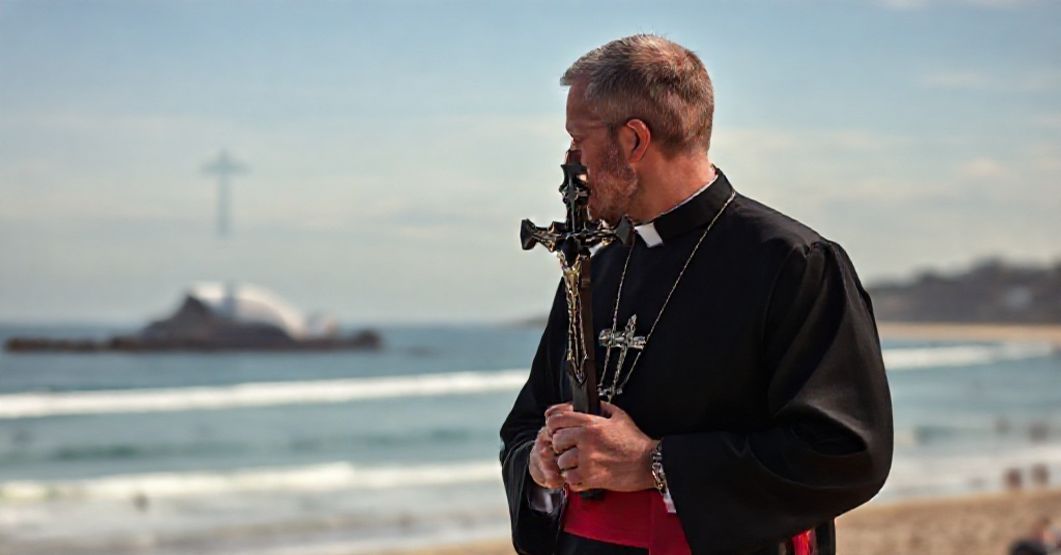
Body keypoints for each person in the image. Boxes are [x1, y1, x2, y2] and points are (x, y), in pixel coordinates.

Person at [500, 34, 893, 555]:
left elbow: (847, 453)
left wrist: (652, 463)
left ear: (635, 141)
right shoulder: (594, 265)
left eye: (578, 139)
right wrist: (541, 461)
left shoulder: (793, 264)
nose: (570, 161)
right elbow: (526, 422)